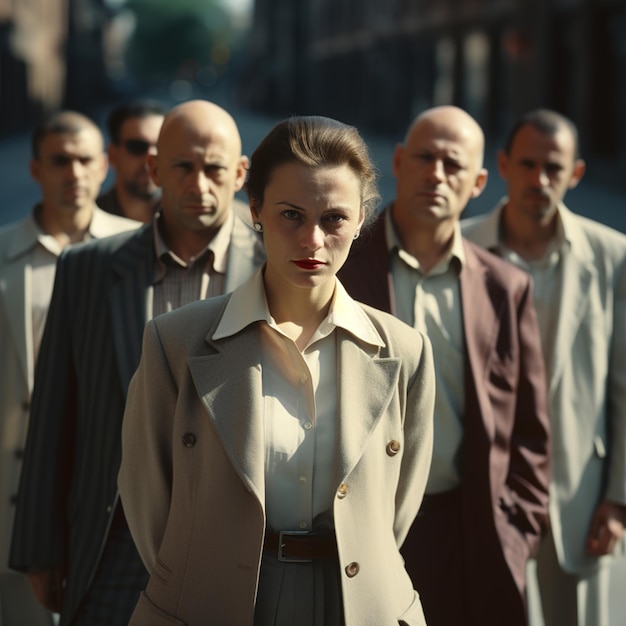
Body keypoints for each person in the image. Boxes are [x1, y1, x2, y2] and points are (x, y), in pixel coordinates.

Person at [118, 115, 436, 626]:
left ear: (361, 219)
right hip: (215, 602)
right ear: (256, 208)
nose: (312, 239)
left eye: (334, 218)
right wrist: (204, 578)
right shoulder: (174, 341)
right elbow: (148, 506)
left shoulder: (405, 351)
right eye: (292, 214)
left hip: (358, 604)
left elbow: (392, 516)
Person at [9, 99, 264, 626]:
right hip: (114, 540)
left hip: (239, 546)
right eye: (182, 167)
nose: (199, 184)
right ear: (153, 170)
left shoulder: (277, 271)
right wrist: (39, 546)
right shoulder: (89, 268)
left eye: (215, 168)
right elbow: (56, 408)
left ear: (240, 174)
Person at [338, 105, 551, 626]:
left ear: (478, 181)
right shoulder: (340, 261)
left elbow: (530, 430)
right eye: (425, 158)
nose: (436, 174)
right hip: (356, 527)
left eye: (453, 165)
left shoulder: (505, 288)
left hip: (466, 528)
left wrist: (517, 529)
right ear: (399, 162)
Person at [462, 108, 626, 626]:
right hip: (482, 491)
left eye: (554, 168)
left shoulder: (612, 255)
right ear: (503, 165)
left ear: (576, 173)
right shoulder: (460, 248)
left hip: (579, 492)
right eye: (527, 164)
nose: (539, 179)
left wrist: (620, 498)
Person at [0, 110, 138, 626]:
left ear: (105, 166)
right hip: (8, 497)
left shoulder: (140, 251)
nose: (74, 173)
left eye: (85, 160)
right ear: (35, 168)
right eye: (60, 161)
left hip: (105, 504)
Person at [97, 100, 166, 222]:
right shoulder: (90, 217)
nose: (151, 157)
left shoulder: (183, 218)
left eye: (161, 146)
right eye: (137, 146)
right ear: (112, 154)